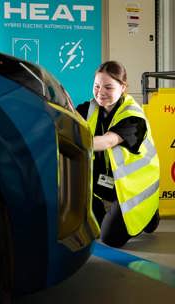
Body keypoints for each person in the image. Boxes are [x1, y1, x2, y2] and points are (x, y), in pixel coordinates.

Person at [76, 61, 160, 247]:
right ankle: (110, 211)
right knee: (88, 229)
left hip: (134, 188)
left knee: (110, 238)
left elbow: (108, 141)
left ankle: (149, 213)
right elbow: (67, 120)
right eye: (97, 86)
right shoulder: (89, 109)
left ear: (123, 87)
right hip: (104, 185)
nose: (100, 92)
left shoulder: (133, 116)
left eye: (108, 87)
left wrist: (76, 142)